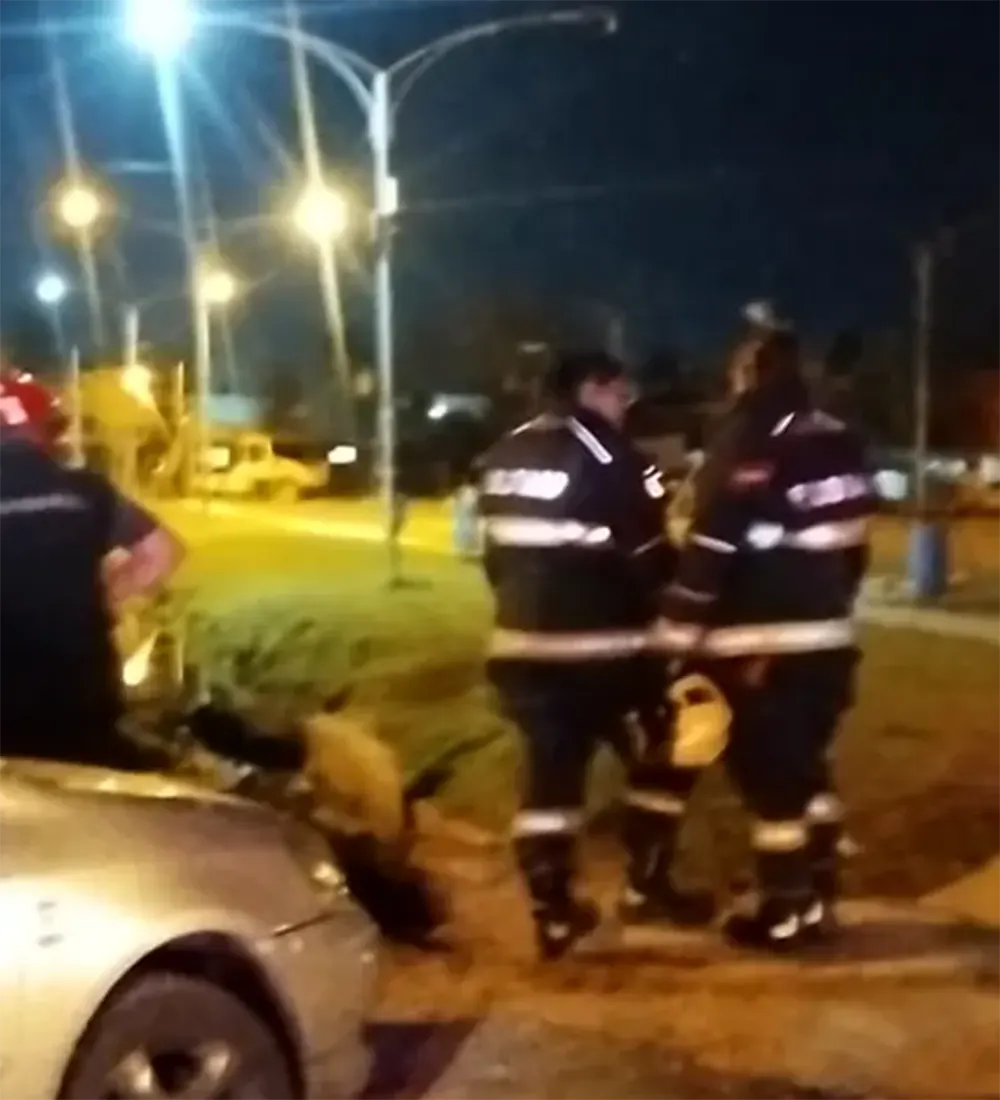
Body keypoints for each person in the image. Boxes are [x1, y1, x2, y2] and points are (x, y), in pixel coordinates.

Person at [478, 350, 715, 960]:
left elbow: (496, 559)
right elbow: (649, 555)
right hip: (604, 653)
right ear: (590, 388)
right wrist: (681, 610)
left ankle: (552, 910)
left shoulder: (506, 452)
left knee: (549, 780)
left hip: (522, 651)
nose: (626, 402)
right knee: (673, 748)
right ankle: (647, 881)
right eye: (619, 390)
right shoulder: (610, 455)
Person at [655, 327, 877, 952]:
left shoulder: (750, 433)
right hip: (829, 639)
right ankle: (818, 896)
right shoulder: (839, 437)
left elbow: (714, 542)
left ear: (751, 372)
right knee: (807, 771)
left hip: (760, 642)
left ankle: (783, 908)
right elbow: (853, 544)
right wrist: (830, 606)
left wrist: (678, 629)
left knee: (768, 781)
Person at [0, 371, 184, 768]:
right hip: (82, 699)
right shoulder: (87, 490)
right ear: (44, 431)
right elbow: (164, 552)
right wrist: (106, 595)